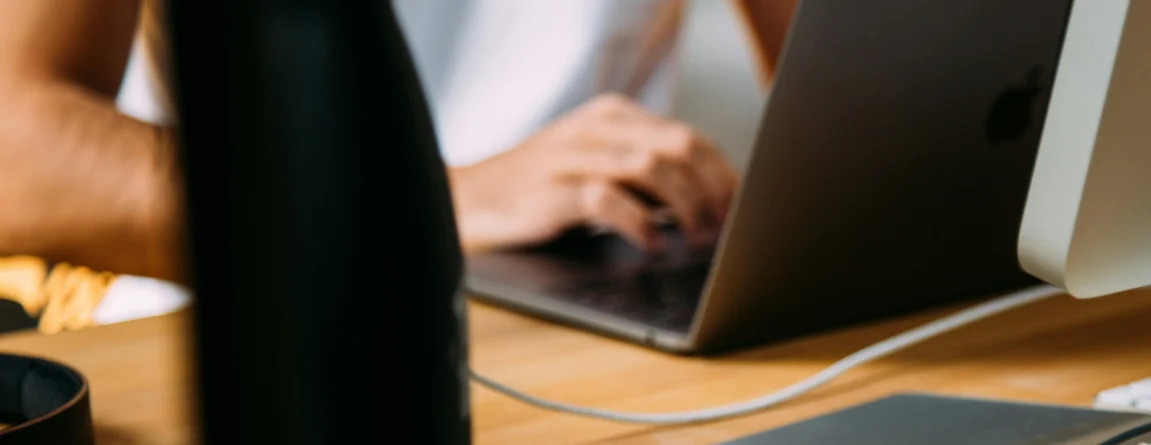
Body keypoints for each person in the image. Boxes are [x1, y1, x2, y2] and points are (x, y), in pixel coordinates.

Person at [0, 0, 797, 293]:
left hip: (608, 295)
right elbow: (18, 148)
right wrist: (430, 202)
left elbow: (858, 96)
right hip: (269, 317)